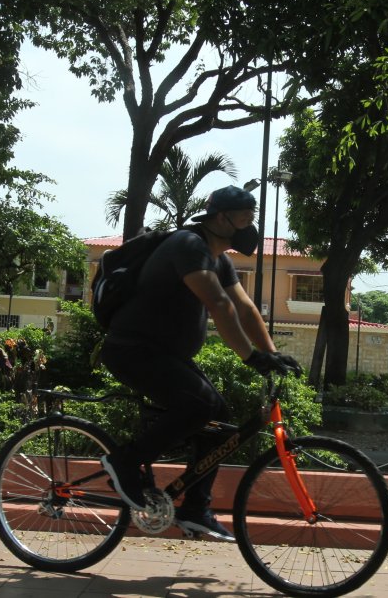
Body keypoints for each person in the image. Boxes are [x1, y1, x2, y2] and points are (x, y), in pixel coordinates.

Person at [98, 185, 298, 542]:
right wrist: (251, 358)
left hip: (163, 355)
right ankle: (124, 461)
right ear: (221, 218)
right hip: (132, 350)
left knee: (219, 420)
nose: (250, 228)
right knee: (199, 405)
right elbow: (219, 304)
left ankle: (195, 508)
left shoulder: (218, 260)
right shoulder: (188, 246)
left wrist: (271, 354)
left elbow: (245, 308)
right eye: (244, 219)